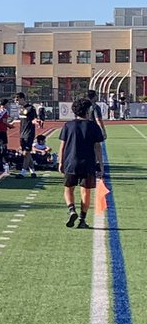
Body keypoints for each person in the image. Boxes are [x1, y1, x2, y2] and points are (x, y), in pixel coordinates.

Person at [58, 97, 105, 229]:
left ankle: (71, 209)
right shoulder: (93, 126)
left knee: (68, 189)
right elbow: (97, 147)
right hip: (88, 163)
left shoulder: (68, 125)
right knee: (86, 192)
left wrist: (60, 162)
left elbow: (62, 145)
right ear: (88, 111)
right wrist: (100, 164)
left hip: (70, 161)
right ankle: (82, 219)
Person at [16, 93, 42, 177]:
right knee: (27, 153)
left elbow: (34, 119)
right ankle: (32, 171)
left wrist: (37, 122)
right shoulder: (21, 109)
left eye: (17, 99)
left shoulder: (31, 108)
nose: (16, 101)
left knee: (26, 153)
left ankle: (23, 172)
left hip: (29, 133)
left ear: (22, 98)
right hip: (22, 133)